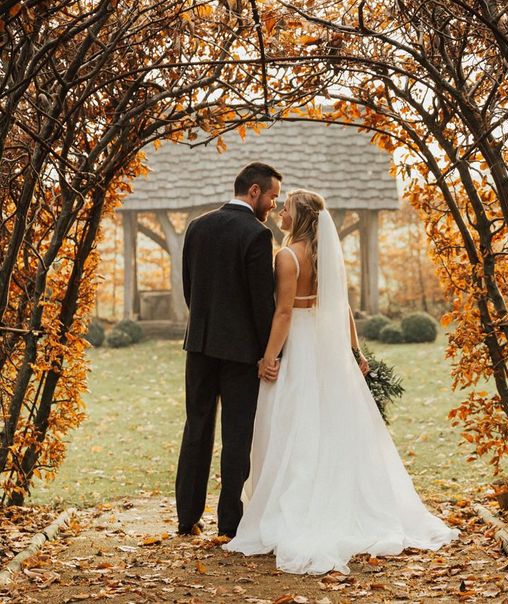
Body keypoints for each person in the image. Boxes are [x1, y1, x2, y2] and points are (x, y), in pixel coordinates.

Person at [223, 189, 458, 574]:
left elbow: (283, 313)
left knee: (292, 420)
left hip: (299, 341)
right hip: (326, 342)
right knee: (332, 421)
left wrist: (269, 357)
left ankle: (297, 505)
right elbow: (341, 307)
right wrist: (355, 351)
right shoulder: (324, 255)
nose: (280, 212)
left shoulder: (286, 256)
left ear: (298, 218)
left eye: (287, 209)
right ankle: (341, 500)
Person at [176, 161, 282, 538]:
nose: (273, 204)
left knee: (197, 426)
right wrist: (270, 351)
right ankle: (230, 522)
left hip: (200, 345)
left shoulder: (197, 226)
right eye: (271, 196)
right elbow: (261, 304)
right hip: (240, 353)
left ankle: (187, 516)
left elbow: (190, 289)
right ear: (253, 191)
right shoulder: (256, 234)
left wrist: (205, 326)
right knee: (237, 434)